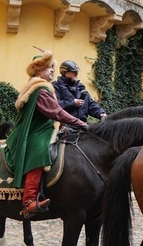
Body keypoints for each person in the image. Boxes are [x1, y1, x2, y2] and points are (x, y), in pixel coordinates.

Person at [5, 51, 88, 219]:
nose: (52, 71)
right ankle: (29, 202)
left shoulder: (44, 86)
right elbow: (56, 112)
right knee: (40, 151)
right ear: (38, 71)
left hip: (46, 128)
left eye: (52, 68)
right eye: (49, 68)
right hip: (33, 133)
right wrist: (80, 123)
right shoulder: (40, 88)